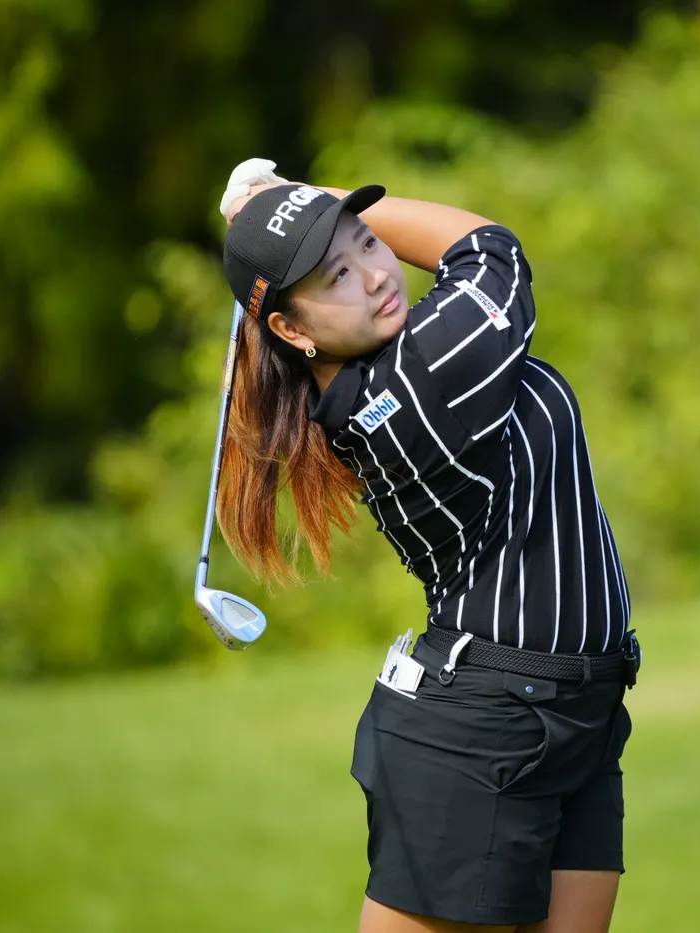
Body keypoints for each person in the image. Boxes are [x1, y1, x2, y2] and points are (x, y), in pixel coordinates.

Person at [216, 159, 639, 933]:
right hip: (486, 733)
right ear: (292, 329)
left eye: (367, 242)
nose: (376, 274)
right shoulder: (413, 381)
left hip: (577, 712)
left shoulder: (384, 369)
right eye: (336, 274)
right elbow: (489, 250)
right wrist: (319, 196)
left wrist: (297, 209)